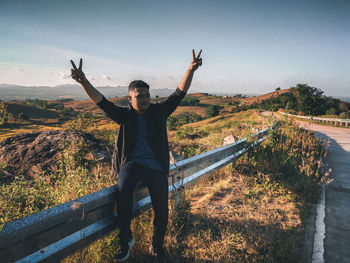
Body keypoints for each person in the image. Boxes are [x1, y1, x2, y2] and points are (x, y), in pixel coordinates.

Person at [70, 49, 202, 261]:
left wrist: (190, 69)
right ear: (129, 98)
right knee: (123, 194)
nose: (145, 99)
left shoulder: (159, 111)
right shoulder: (123, 114)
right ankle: (126, 240)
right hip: (131, 163)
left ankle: (157, 245)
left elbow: (179, 93)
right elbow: (101, 101)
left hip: (156, 165)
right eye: (139, 96)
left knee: (161, 207)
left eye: (147, 95)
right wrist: (83, 81)